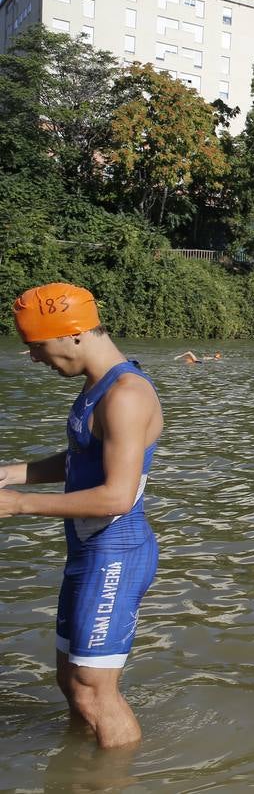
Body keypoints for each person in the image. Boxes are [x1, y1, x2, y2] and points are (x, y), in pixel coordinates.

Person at [0, 284, 163, 748]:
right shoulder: (96, 388)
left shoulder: (126, 395)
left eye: (36, 345)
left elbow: (116, 495)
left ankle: (117, 777)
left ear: (73, 334)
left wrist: (18, 504)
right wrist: (12, 474)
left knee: (94, 691)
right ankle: (79, 772)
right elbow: (81, 460)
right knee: (71, 682)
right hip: (85, 551)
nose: (33, 358)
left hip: (115, 552)